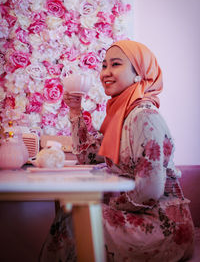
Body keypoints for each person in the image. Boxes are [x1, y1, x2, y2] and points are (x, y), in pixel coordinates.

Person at [39, 40, 194, 262]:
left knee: (77, 216)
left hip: (161, 226)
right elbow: (89, 156)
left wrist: (104, 201)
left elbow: (150, 192)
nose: (106, 73)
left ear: (139, 74)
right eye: (104, 65)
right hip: (139, 214)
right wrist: (75, 111)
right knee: (74, 212)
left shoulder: (144, 116)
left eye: (116, 64)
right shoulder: (123, 114)